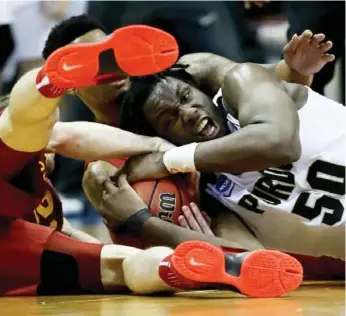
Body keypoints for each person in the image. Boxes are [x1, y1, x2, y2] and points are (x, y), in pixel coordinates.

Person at [0, 16, 303, 298]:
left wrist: (295, 72)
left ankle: (199, 264)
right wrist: (159, 150)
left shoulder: (180, 76)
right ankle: (48, 81)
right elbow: (64, 136)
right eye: (99, 62)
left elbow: (264, 81)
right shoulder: (100, 165)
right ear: (75, 89)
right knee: (25, 128)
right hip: (217, 215)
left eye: (111, 52)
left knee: (120, 267)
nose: (113, 70)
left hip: (256, 190)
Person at [85, 30, 344, 263]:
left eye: (186, 96)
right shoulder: (214, 198)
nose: (187, 113)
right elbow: (257, 264)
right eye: (169, 119)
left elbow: (279, 144)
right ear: (166, 139)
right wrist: (143, 222)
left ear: (201, 89)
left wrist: (167, 160)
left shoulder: (242, 81)